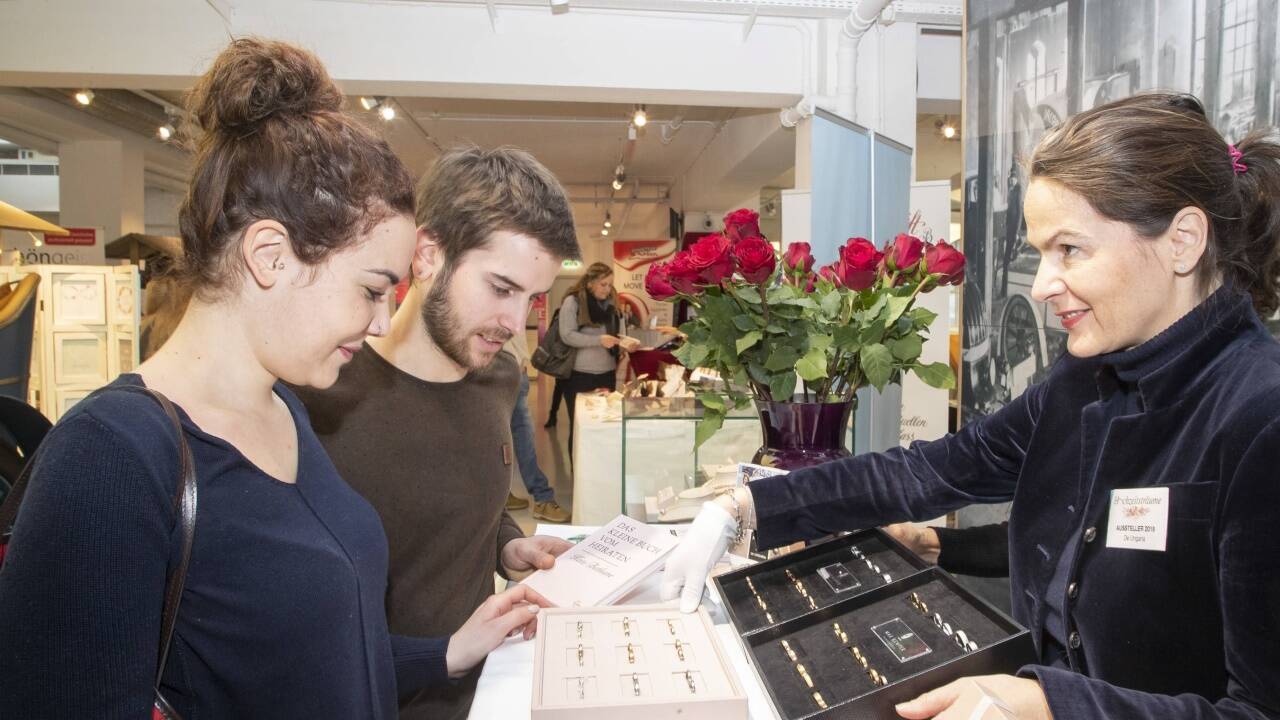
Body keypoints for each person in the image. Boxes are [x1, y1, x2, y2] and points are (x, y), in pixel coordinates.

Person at [660, 93, 1280, 719]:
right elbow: (931, 471)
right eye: (1040, 253)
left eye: (1070, 250)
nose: (1041, 286)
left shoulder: (1262, 416)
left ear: (1183, 241)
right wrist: (747, 506)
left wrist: (1051, 703)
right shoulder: (1086, 376)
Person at [0, 39, 544, 719]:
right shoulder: (110, 459)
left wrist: (448, 652)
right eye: (372, 289)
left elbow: (317, 657)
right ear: (270, 256)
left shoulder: (288, 412)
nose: (381, 323)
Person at [291, 145, 581, 720]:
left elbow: (470, 495)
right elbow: (295, 640)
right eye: (501, 288)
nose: (514, 322)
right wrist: (440, 656)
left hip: (487, 696)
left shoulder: (497, 377)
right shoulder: (318, 396)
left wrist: (507, 544)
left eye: (531, 298)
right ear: (427, 256)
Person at [557, 262, 637, 451]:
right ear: (590, 282)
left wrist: (625, 345)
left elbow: (618, 334)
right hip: (579, 376)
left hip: (606, 374)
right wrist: (599, 340)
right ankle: (579, 476)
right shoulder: (573, 302)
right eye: (603, 284)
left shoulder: (612, 302)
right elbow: (567, 335)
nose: (608, 289)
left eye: (610, 285)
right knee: (580, 429)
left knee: (603, 426)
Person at [503, 331, 571, 522]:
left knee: (512, 435)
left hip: (514, 370)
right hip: (504, 371)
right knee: (519, 435)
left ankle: (504, 495)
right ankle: (542, 499)